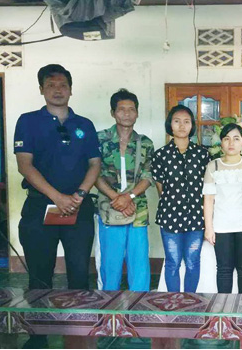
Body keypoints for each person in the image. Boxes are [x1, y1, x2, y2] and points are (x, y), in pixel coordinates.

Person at [14, 64, 101, 347]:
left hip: (79, 208)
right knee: (40, 275)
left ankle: (77, 333)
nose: (57, 89)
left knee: (79, 272)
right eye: (51, 85)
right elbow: (25, 166)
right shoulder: (27, 121)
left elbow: (94, 164)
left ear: (71, 89)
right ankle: (38, 336)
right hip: (40, 208)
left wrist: (78, 195)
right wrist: (57, 197)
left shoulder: (84, 125)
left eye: (63, 84)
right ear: (41, 89)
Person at [95, 89, 154, 292]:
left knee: (139, 264)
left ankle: (139, 311)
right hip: (109, 209)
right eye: (121, 109)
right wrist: (116, 199)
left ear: (137, 113)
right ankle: (108, 311)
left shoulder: (145, 143)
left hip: (137, 209)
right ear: (113, 112)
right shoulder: (100, 139)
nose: (127, 114)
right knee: (110, 264)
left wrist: (128, 197)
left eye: (131, 109)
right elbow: (93, 174)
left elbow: (148, 176)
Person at [152, 105, 210, 292]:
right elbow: (160, 188)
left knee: (193, 261)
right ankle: (174, 302)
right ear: (170, 124)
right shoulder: (161, 155)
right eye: (177, 121)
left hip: (195, 217)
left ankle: (190, 301)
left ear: (192, 125)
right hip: (170, 217)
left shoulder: (202, 155)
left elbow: (207, 188)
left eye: (187, 121)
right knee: (172, 261)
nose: (182, 126)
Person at [203, 123, 242, 294]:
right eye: (226, 139)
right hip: (221, 226)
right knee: (224, 270)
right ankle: (224, 311)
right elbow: (208, 199)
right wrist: (209, 228)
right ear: (221, 143)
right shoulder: (213, 166)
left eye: (236, 139)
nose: (231, 143)